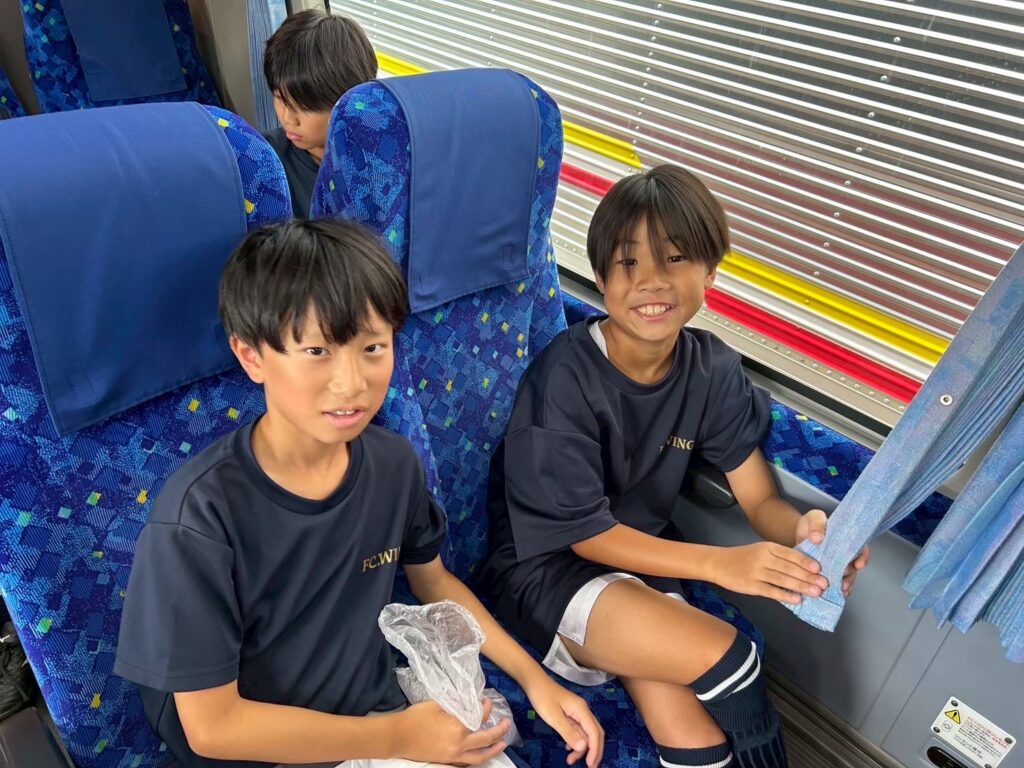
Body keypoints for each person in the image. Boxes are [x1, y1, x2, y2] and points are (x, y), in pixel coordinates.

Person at [115, 219, 604, 768]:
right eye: (317, 351)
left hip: (372, 714)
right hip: (277, 753)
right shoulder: (200, 518)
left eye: (373, 347)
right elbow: (213, 729)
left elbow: (434, 582)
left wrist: (536, 682)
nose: (352, 383)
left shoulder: (392, 464)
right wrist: (396, 738)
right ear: (252, 357)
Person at [479, 165, 871, 768]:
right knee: (734, 661)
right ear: (601, 277)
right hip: (547, 568)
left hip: (643, 560)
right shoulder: (564, 378)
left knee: (699, 744)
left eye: (676, 258)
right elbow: (586, 535)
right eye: (628, 262)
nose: (651, 281)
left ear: (710, 271)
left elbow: (760, 501)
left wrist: (806, 533)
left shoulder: (711, 369)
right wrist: (720, 564)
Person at [262, 9, 376, 218]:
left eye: (305, 106)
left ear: (350, 100)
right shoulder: (264, 158)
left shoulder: (386, 159)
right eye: (280, 98)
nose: (288, 119)